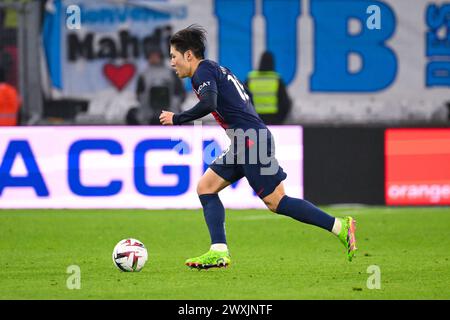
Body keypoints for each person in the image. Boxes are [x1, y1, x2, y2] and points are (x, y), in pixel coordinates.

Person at [159, 25, 357, 269]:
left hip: (250, 141)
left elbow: (210, 103)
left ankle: (340, 226)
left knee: (277, 202)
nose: (172, 62)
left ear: (188, 55)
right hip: (245, 140)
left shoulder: (202, 72)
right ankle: (218, 250)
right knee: (206, 187)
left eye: (173, 56)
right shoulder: (215, 69)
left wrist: (177, 119)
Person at [131, 46, 185, 125]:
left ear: (160, 57)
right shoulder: (143, 75)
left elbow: (180, 93)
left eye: (155, 56)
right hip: (149, 114)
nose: (153, 58)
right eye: (151, 56)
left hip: (170, 111)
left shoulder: (171, 73)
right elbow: (139, 95)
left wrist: (175, 104)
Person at [245, 51, 292, 125]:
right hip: (273, 120)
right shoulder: (276, 79)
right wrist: (280, 120)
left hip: (254, 119)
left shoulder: (251, 78)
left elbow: (241, 100)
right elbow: (285, 103)